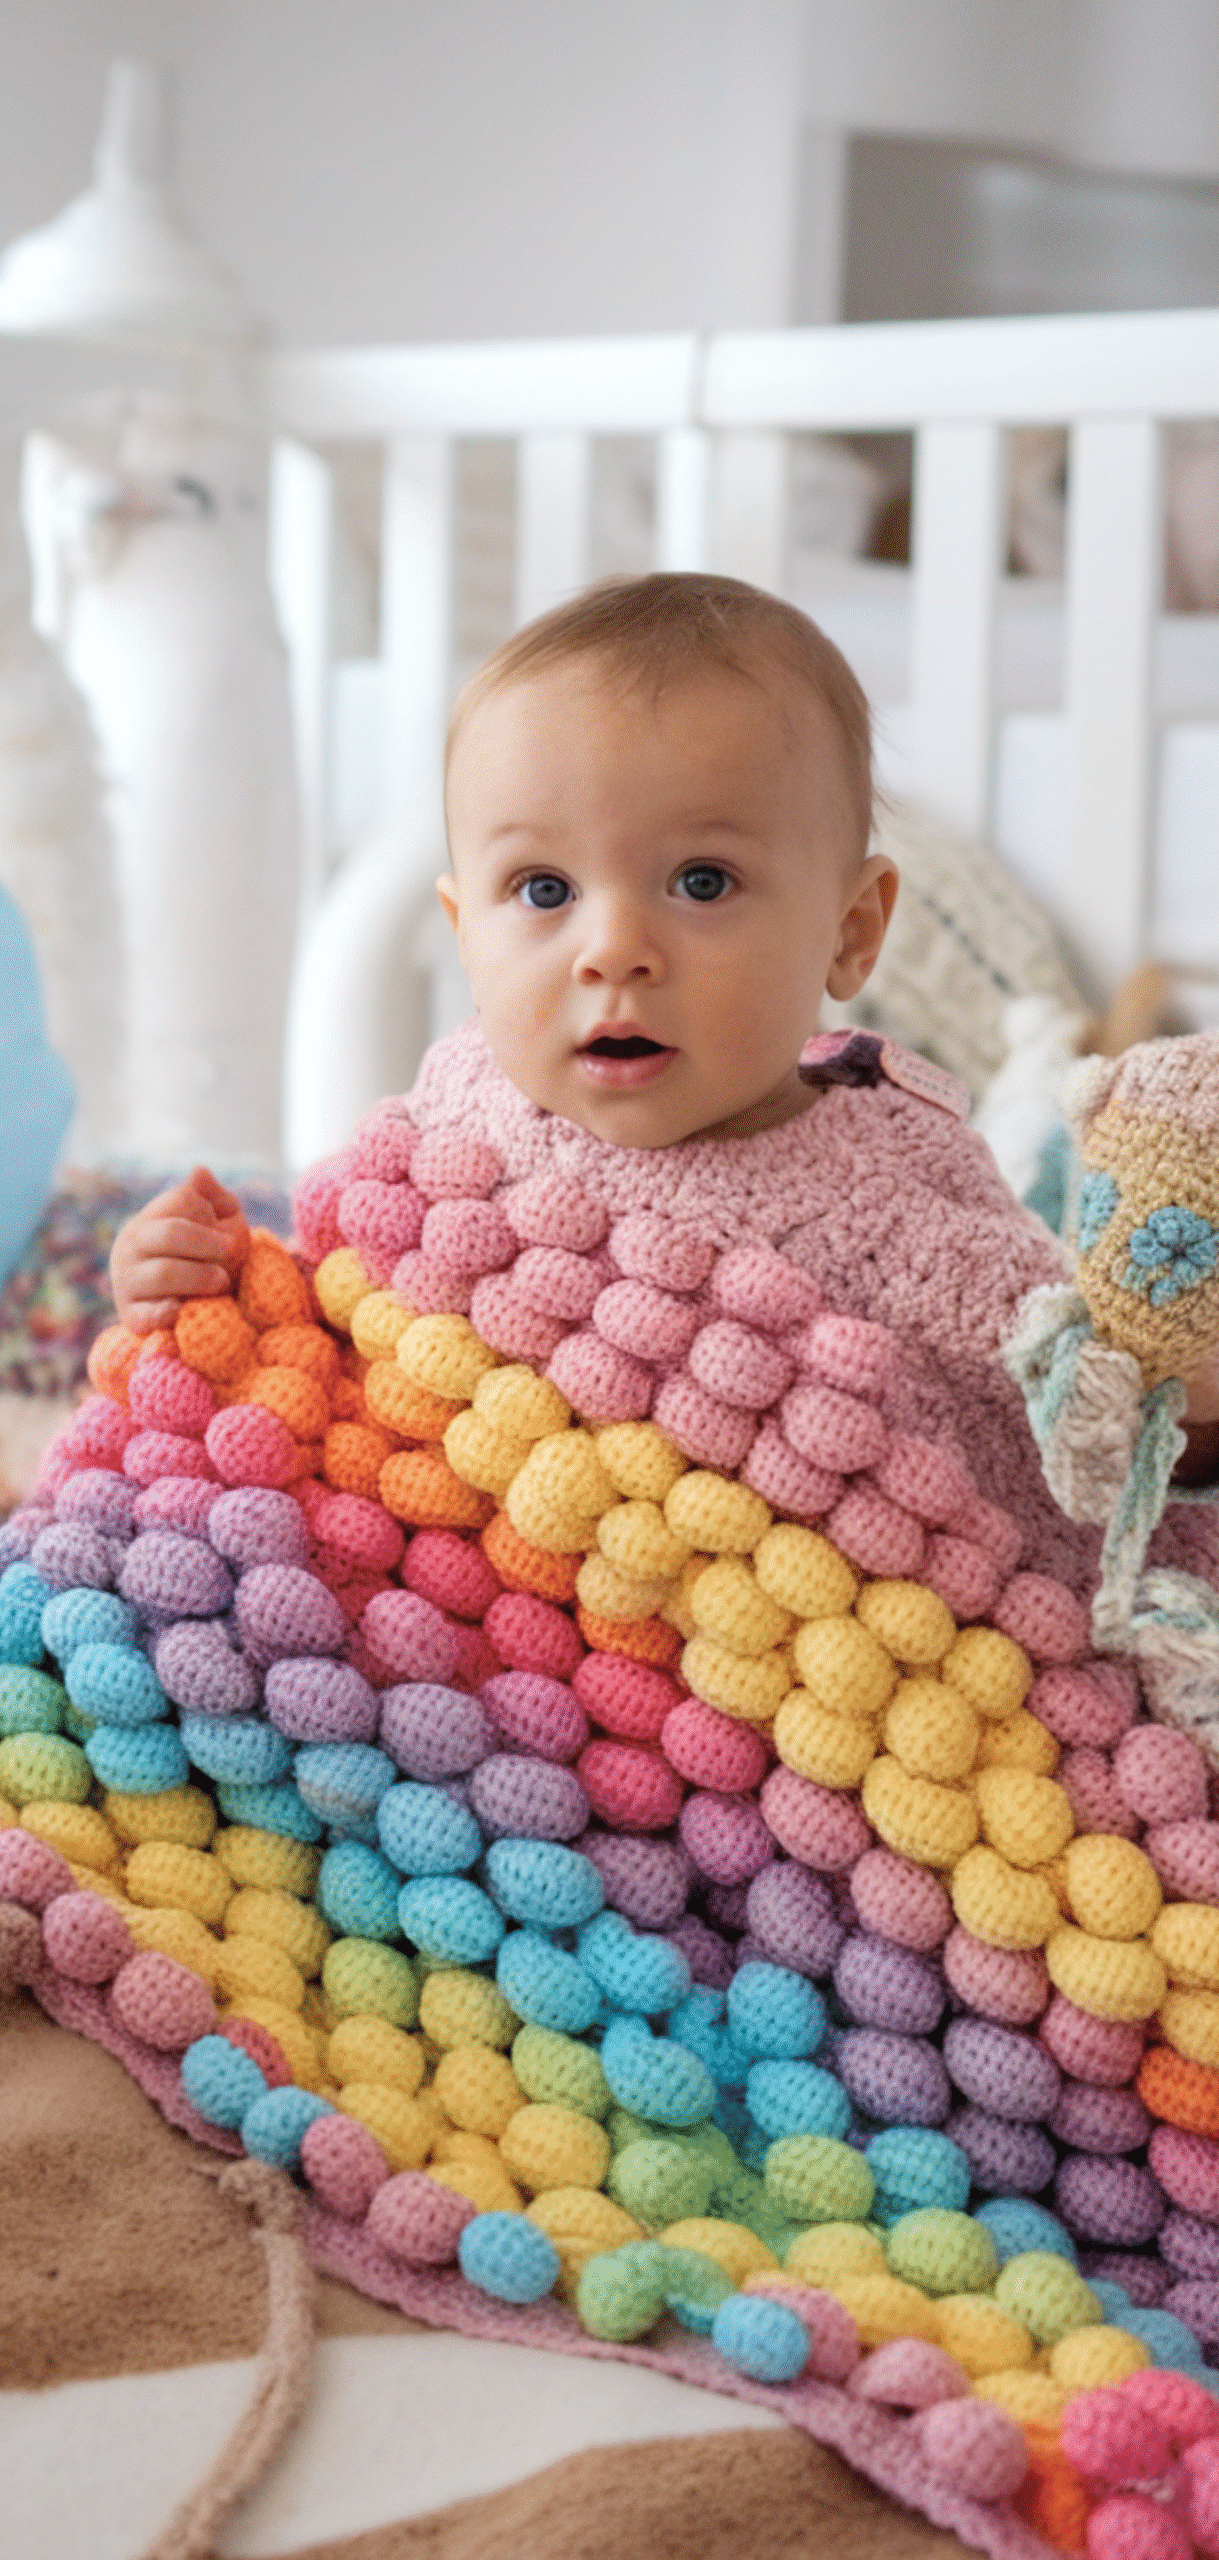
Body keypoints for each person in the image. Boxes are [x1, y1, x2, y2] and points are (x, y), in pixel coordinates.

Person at [108, 573, 1219, 1580]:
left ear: (849, 931)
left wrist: (1188, 1410)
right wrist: (204, 1290)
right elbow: (333, 1318)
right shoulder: (458, 1108)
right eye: (543, 890)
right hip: (439, 1596)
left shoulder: (898, 1205)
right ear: (464, 934)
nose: (613, 950)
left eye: (701, 881)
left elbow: (1080, 1428)